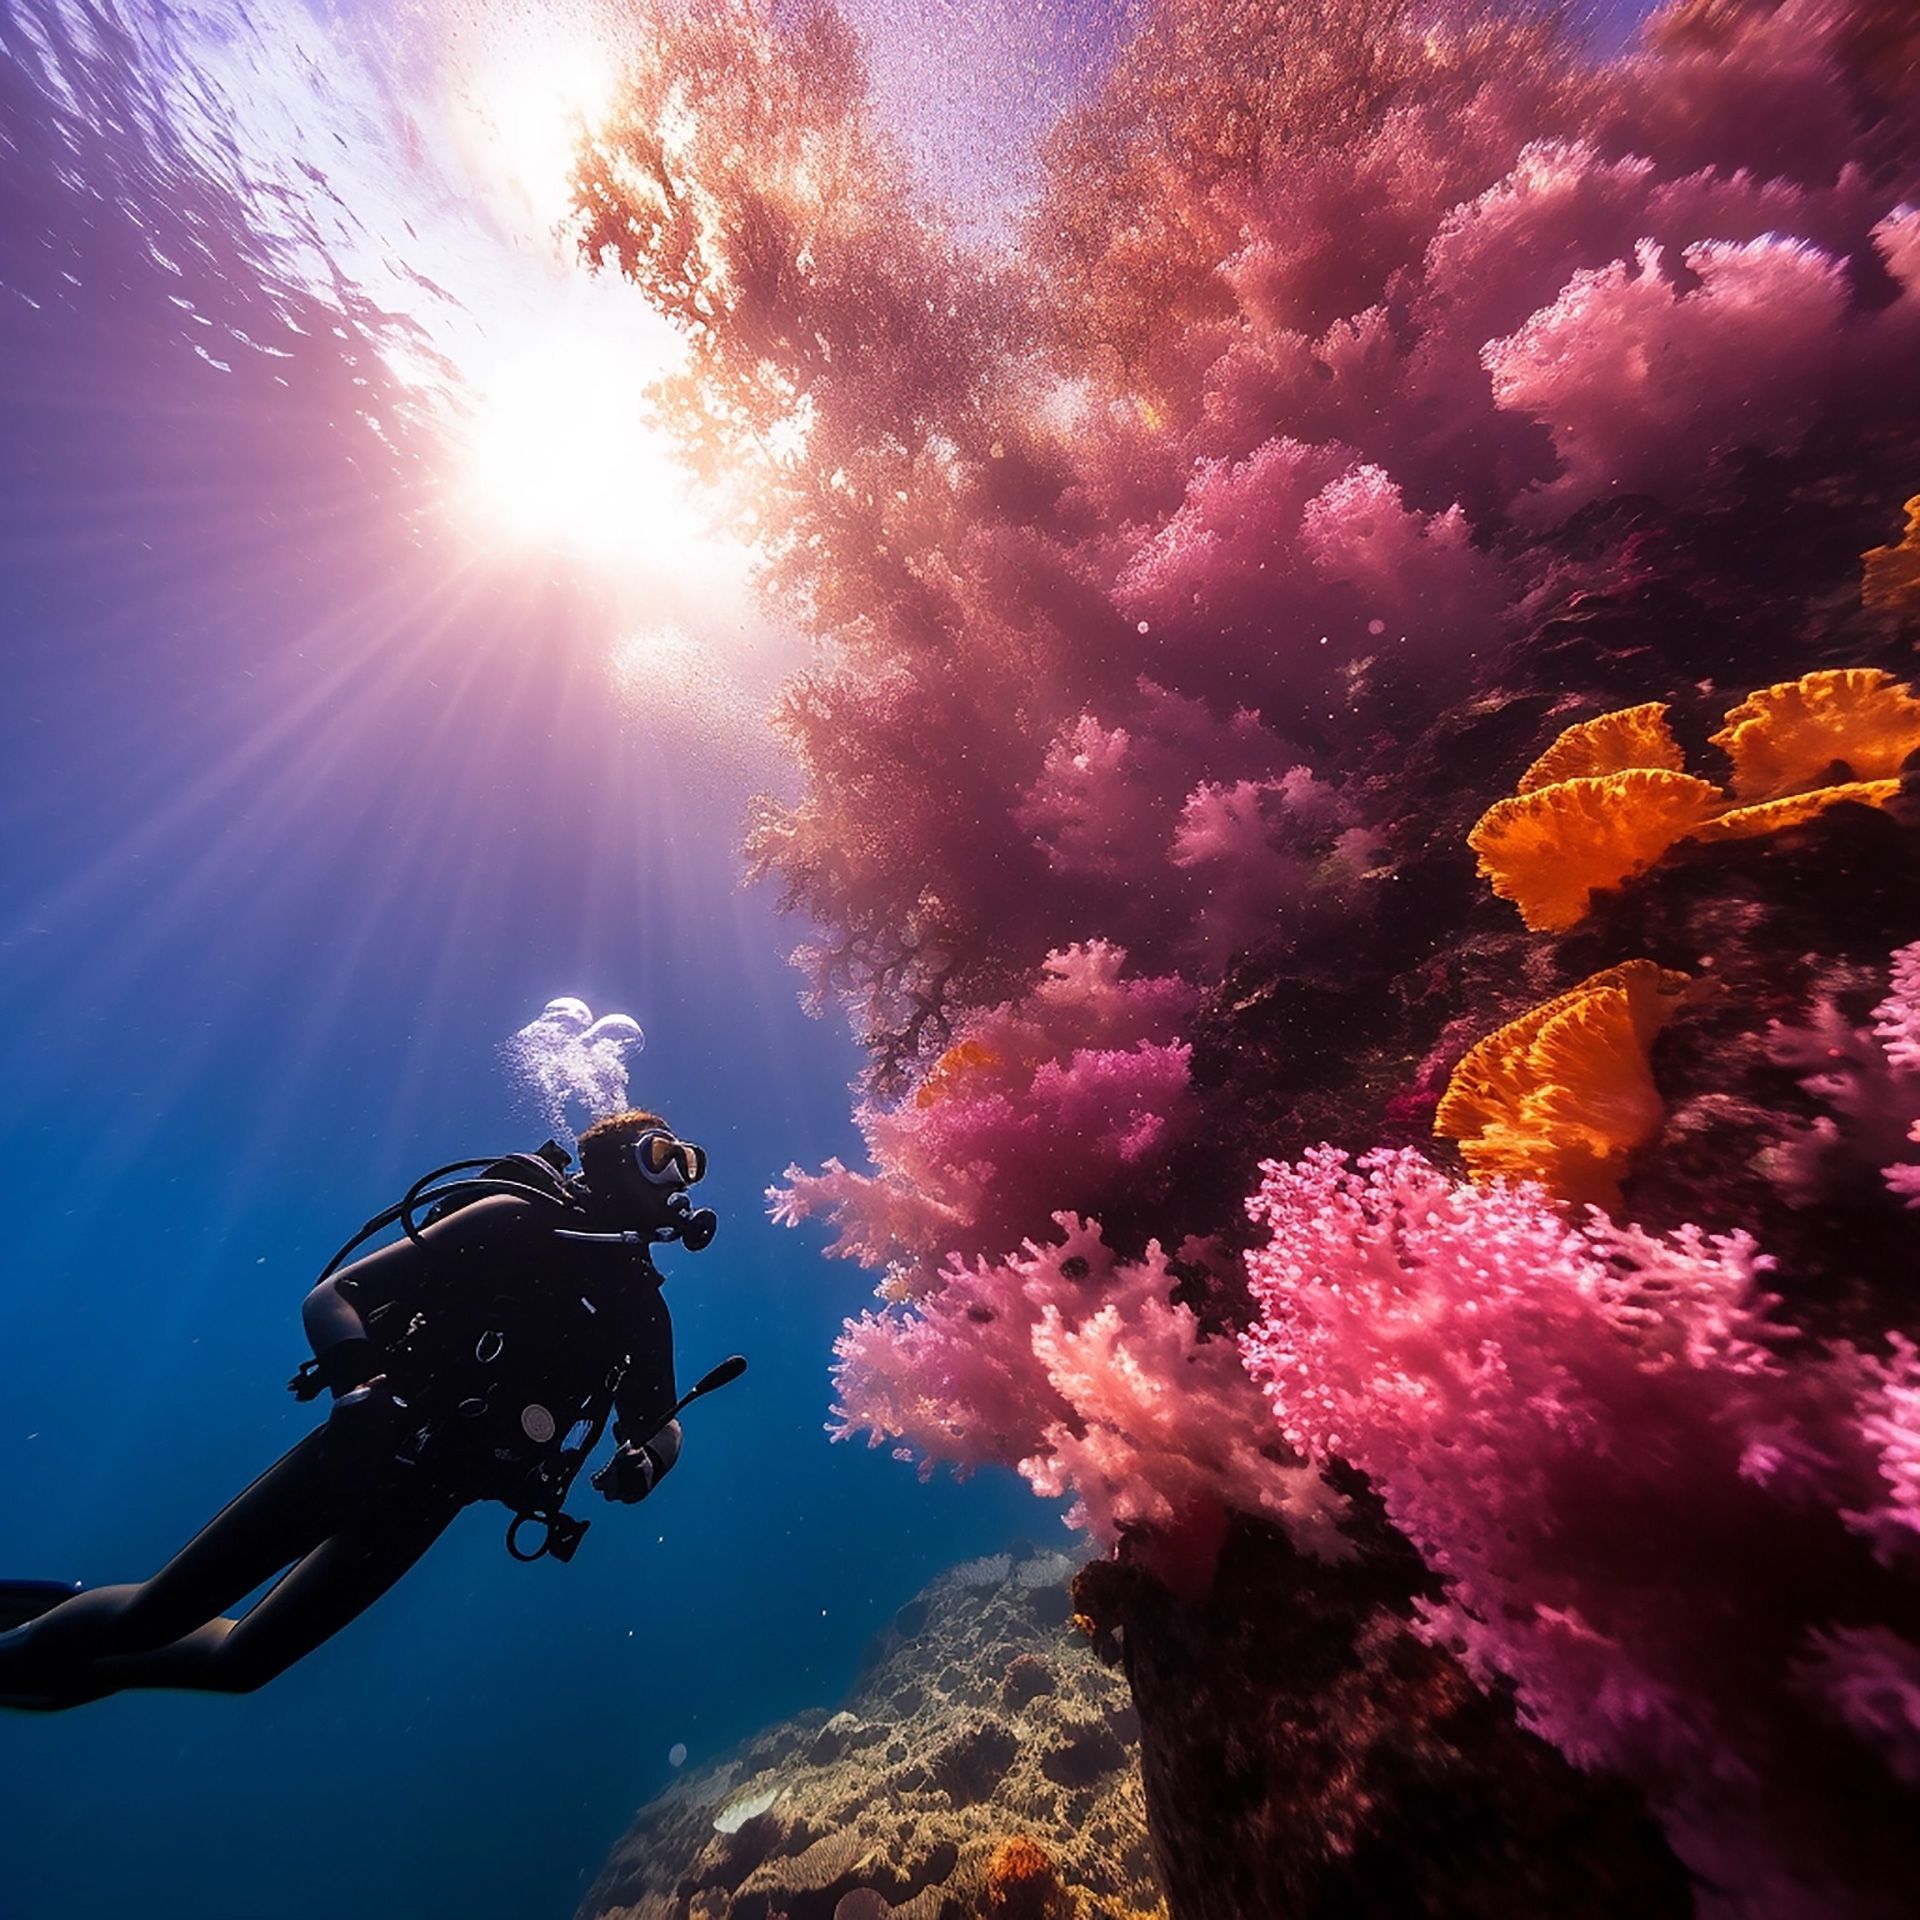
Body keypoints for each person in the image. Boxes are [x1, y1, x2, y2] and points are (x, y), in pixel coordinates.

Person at [0, 1108, 727, 1710]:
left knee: (243, 1664)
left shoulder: (642, 1309)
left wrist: (647, 1463)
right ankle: (33, 1649)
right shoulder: (516, 1221)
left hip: (434, 1495)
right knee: (154, 1615)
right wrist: (358, 1394)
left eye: (688, 1163)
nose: (679, 1177)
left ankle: (67, 1665)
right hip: (370, 1444)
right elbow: (336, 1297)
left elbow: (658, 1423)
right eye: (661, 1155)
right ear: (609, 1164)